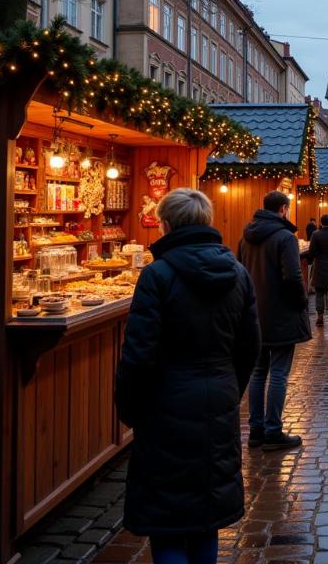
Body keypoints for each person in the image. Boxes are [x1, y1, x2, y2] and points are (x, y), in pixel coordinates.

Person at [116, 189, 259, 564]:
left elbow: (138, 354)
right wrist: (230, 388)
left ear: (165, 223)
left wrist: (130, 408)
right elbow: (249, 346)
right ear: (207, 222)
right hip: (218, 398)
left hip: (166, 404)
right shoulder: (237, 274)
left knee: (167, 519)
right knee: (205, 516)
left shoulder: (157, 275)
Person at [237, 190, 311, 451]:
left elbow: (240, 273)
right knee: (279, 372)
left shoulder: (246, 237)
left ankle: (255, 429)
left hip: (254, 313)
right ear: (283, 209)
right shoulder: (284, 237)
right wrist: (302, 302)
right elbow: (292, 277)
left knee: (258, 373)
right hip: (281, 313)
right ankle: (273, 430)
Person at [307, 213, 328, 327]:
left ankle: (320, 316)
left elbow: (311, 252)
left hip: (319, 266)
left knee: (319, 292)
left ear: (320, 222)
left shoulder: (316, 234)